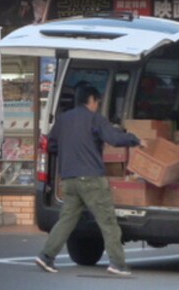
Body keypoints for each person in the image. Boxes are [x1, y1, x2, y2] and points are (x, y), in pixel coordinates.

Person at [35, 84, 142, 277]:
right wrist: (136, 140)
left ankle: (46, 256)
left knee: (66, 220)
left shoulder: (63, 120)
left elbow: (51, 145)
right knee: (107, 221)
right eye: (98, 102)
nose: (98, 106)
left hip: (68, 180)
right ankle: (117, 263)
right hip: (91, 179)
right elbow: (114, 139)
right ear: (91, 100)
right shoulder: (95, 119)